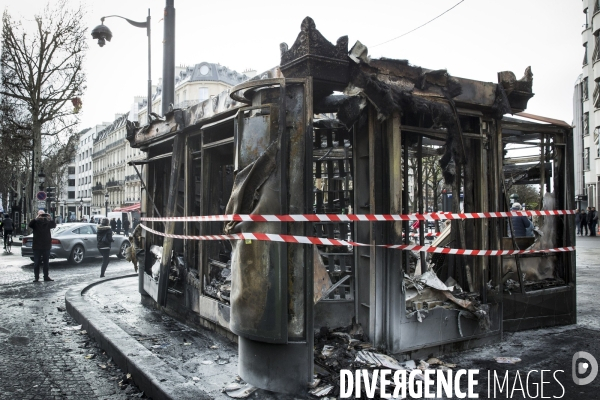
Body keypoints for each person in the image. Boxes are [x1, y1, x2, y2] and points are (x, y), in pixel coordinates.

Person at [29, 210, 57, 282]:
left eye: (43, 215)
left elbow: (54, 225)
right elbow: (30, 225)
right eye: (40, 215)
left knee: (46, 262)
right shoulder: (35, 223)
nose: (42, 216)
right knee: (36, 262)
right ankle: (36, 277)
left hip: (46, 245)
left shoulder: (47, 222)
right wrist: (36, 218)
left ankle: (46, 276)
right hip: (37, 245)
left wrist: (50, 218)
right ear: (37, 215)